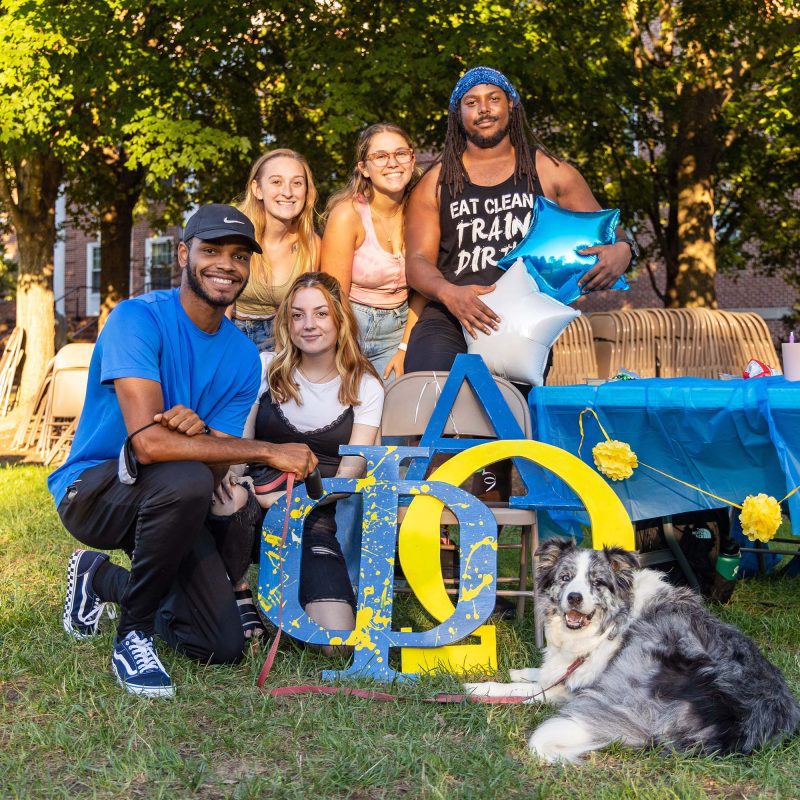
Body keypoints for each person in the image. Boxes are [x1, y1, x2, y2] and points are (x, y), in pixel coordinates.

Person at [48, 204, 317, 698]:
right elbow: (148, 445)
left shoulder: (240, 355)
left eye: (239, 256)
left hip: (177, 500)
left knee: (220, 643)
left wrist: (200, 441)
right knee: (185, 477)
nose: (225, 265)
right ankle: (133, 635)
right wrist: (266, 451)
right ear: (182, 255)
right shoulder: (137, 319)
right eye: (211, 250)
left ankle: (97, 578)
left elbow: (216, 467)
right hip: (93, 489)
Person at [404, 66, 636, 373]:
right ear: (457, 114)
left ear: (511, 104)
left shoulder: (550, 170)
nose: (483, 109)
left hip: (523, 323)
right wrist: (449, 293)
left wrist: (624, 248)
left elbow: (605, 231)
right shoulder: (436, 181)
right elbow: (417, 261)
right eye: (471, 102)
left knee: (508, 418)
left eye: (493, 99)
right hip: (450, 317)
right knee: (429, 399)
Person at [212, 272, 383, 650]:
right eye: (298, 315)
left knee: (335, 642)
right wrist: (244, 485)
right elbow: (241, 450)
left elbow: (350, 475)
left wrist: (297, 500)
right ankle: (238, 591)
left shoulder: (365, 385)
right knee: (227, 496)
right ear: (287, 323)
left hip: (312, 514)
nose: (309, 325)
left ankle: (287, 607)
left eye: (321, 314)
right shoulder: (265, 367)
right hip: (251, 504)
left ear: (340, 319)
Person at [321, 123, 427, 382]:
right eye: (380, 156)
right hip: (350, 327)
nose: (392, 163)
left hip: (400, 329)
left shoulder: (423, 212)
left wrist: (404, 347)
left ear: (412, 160)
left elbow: (424, 287)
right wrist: (343, 350)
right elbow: (334, 297)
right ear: (364, 169)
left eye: (401, 153)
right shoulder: (348, 215)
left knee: (396, 408)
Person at [233, 149, 321, 351]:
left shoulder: (311, 245)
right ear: (257, 189)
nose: (288, 192)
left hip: (281, 340)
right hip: (229, 332)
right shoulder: (237, 233)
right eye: (276, 182)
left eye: (297, 183)